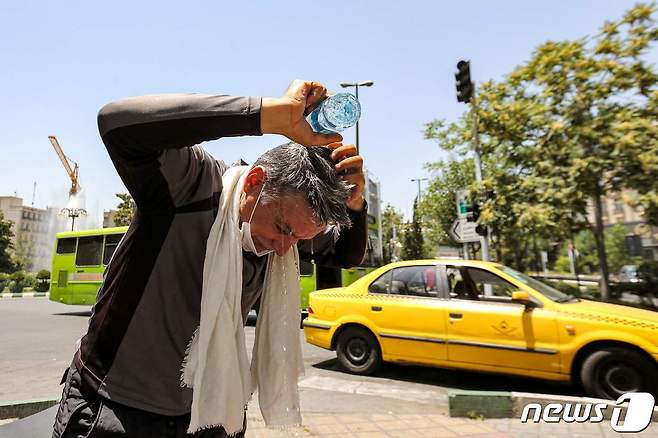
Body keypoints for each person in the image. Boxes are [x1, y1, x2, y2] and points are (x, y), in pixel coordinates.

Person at [52, 80, 368, 438]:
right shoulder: (192, 185)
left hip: (214, 414)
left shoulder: (286, 234)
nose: (285, 249)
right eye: (283, 228)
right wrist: (268, 114)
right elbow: (117, 123)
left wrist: (356, 205)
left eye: (299, 238)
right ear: (254, 183)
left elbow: (345, 253)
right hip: (115, 409)